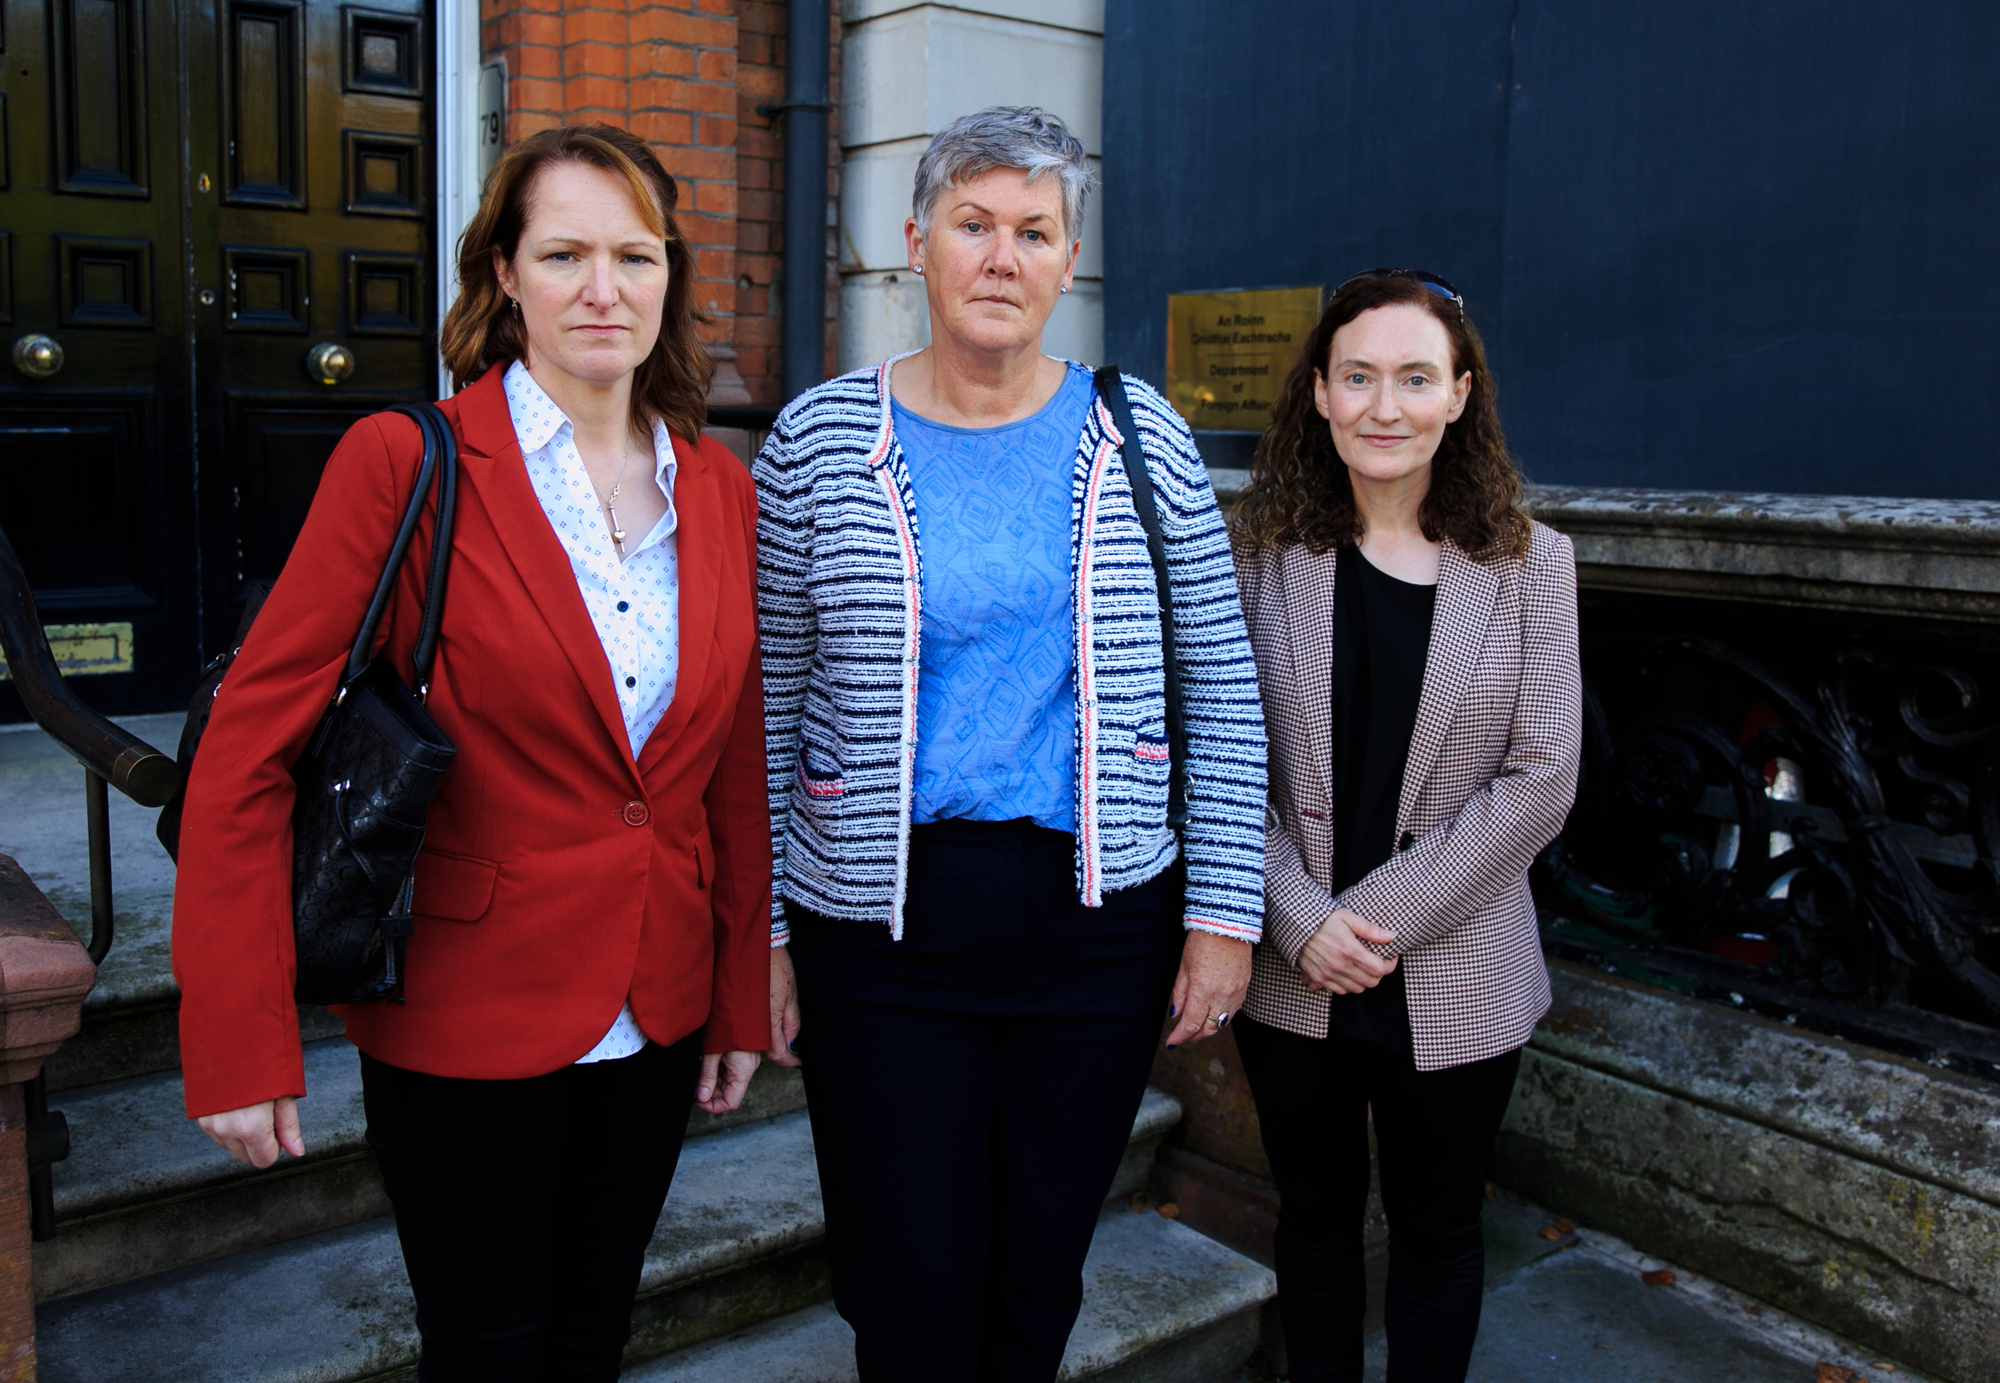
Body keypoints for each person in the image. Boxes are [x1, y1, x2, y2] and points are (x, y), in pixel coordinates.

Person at [170, 123, 775, 1381]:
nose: (603, 289)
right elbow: (246, 756)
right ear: (505, 272)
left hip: (655, 1000)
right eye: (563, 255)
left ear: (668, 273)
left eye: (634, 255)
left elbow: (724, 769)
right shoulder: (408, 462)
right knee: (486, 1348)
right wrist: (235, 1034)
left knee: (592, 1334)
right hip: (466, 1003)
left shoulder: (720, 490)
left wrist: (731, 990)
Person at [753, 106, 1268, 1382]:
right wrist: (760, 929)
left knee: (1037, 1268)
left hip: (1096, 924)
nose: (1000, 257)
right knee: (906, 1280)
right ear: (915, 242)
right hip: (880, 926)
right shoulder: (817, 441)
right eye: (972, 225)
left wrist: (1221, 914)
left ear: (1068, 259)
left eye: (1033, 232)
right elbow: (767, 698)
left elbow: (1219, 683)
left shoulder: (1139, 433)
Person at [1229, 270, 1582, 1383]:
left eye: (1415, 378)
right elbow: (1216, 763)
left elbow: (1542, 777)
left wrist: (1366, 922)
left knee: (1438, 1230)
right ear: (1320, 394)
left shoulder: (1532, 564)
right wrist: (1301, 921)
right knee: (1314, 1220)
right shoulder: (1257, 556)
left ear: (1459, 395)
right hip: (1292, 965)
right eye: (1359, 377)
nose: (1385, 407)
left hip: (1459, 960)